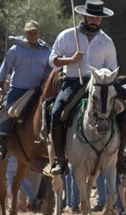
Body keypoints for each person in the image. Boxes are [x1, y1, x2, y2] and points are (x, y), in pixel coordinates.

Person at [48, 0, 123, 175]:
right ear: (84, 16)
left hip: (100, 85)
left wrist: (103, 76)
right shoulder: (67, 35)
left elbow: (112, 68)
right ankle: (60, 159)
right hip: (74, 82)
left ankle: (120, 157)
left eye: (98, 17)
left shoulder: (107, 41)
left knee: (123, 110)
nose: (95, 20)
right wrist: (71, 60)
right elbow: (53, 60)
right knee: (57, 112)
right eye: (92, 16)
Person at [0, 20, 52, 160]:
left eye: (35, 32)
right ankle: (2, 141)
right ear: (25, 33)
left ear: (39, 33)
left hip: (38, 90)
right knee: (9, 111)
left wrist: (45, 80)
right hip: (18, 89)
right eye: (30, 32)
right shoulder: (15, 50)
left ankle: (54, 140)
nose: (33, 35)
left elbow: (51, 68)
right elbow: (5, 67)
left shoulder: (47, 51)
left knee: (51, 110)